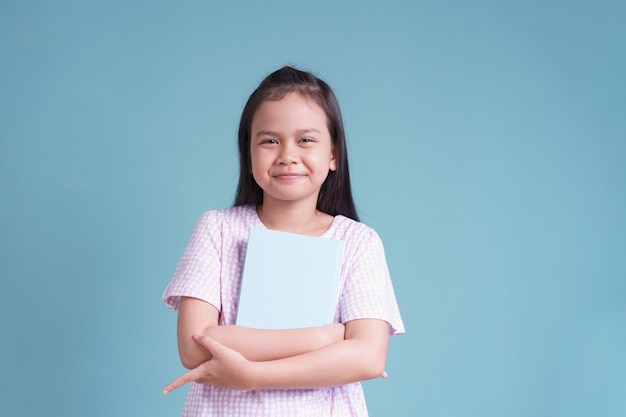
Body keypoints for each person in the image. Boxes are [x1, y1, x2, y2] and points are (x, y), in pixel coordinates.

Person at [161, 66, 405, 417]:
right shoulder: (216, 229)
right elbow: (195, 346)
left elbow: (367, 356)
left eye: (305, 140)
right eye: (269, 140)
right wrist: (324, 340)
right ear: (248, 153)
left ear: (333, 154)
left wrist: (251, 374)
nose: (287, 155)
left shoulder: (358, 242)